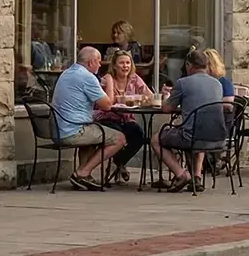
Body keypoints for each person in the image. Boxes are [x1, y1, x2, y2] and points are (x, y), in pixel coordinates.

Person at [151, 50, 229, 192]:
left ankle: (182, 174)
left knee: (156, 139)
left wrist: (167, 96)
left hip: (191, 137)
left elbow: (167, 108)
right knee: (198, 129)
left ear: (188, 65)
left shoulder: (183, 83)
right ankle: (196, 178)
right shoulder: (217, 84)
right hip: (218, 138)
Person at [50, 46, 126, 191]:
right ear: (91, 62)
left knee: (92, 134)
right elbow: (107, 105)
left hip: (58, 129)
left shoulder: (67, 73)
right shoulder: (87, 77)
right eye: (98, 61)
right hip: (72, 131)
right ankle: (82, 172)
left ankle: (83, 176)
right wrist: (110, 82)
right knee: (120, 139)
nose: (100, 65)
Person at [97, 50, 152, 183]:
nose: (125, 66)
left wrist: (141, 99)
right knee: (119, 134)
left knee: (139, 135)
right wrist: (110, 82)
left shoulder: (134, 79)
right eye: (121, 63)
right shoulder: (106, 80)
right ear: (114, 65)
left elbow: (149, 96)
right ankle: (119, 166)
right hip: (107, 117)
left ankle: (118, 162)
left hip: (126, 118)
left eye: (128, 63)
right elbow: (107, 103)